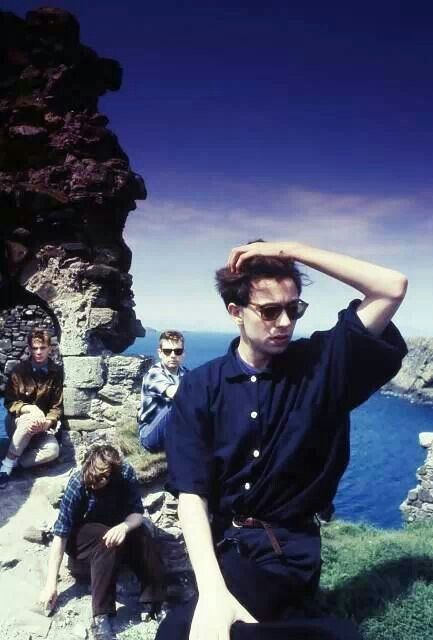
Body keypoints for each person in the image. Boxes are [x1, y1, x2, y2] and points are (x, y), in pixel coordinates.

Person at [158, 240, 408, 640]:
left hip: (289, 550)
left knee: (181, 634)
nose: (285, 322)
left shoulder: (320, 366)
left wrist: (291, 248)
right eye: (270, 311)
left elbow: (391, 287)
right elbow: (191, 492)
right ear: (235, 313)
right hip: (228, 547)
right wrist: (212, 592)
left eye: (294, 309)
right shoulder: (201, 386)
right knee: (189, 628)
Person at [39, 444, 166, 640]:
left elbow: (137, 514)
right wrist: (50, 584)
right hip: (81, 535)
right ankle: (101, 616)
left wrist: (124, 527)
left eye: (100, 481)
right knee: (105, 540)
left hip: (116, 524)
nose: (94, 484)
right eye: (91, 479)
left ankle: (153, 599)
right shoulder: (78, 482)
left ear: (111, 475)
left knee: (142, 534)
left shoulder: (125, 474)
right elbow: (61, 534)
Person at [0, 328, 62, 488]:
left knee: (53, 450)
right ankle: (5, 467)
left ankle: (16, 462)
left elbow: (56, 407)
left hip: (42, 426)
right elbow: (9, 402)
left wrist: (47, 423)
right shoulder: (18, 371)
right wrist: (29, 409)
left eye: (42, 348)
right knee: (29, 419)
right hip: (17, 422)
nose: (39, 352)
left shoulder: (56, 373)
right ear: (29, 349)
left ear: (50, 348)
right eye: (35, 348)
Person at [138, 330, 188, 453]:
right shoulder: (154, 374)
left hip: (174, 433)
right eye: (167, 351)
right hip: (150, 434)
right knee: (177, 403)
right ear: (160, 353)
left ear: (183, 353)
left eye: (178, 351)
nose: (172, 355)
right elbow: (174, 393)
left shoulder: (186, 374)